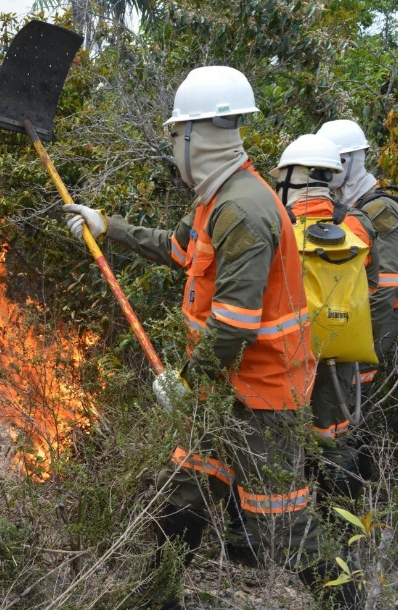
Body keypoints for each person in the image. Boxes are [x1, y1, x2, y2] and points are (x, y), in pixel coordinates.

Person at [64, 66, 359, 608]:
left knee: (281, 523)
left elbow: (235, 323)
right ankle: (159, 597)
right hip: (224, 387)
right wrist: (106, 225)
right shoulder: (216, 198)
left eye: (176, 135)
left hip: (260, 395)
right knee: (188, 494)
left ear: (195, 136)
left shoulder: (243, 208)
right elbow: (178, 250)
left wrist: (183, 380)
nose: (173, 146)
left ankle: (354, 599)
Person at [271, 133, 379, 499]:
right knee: (334, 439)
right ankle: (348, 525)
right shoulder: (357, 225)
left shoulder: (279, 228)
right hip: (342, 356)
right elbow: (375, 283)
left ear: (288, 179)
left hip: (290, 357)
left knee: (283, 444)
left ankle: (292, 524)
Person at [316, 119, 398, 403]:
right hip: (357, 317)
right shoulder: (349, 207)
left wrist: (364, 343)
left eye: (331, 163)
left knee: (355, 395)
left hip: (379, 319)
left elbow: (387, 285)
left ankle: (359, 442)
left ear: (348, 161)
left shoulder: (378, 209)